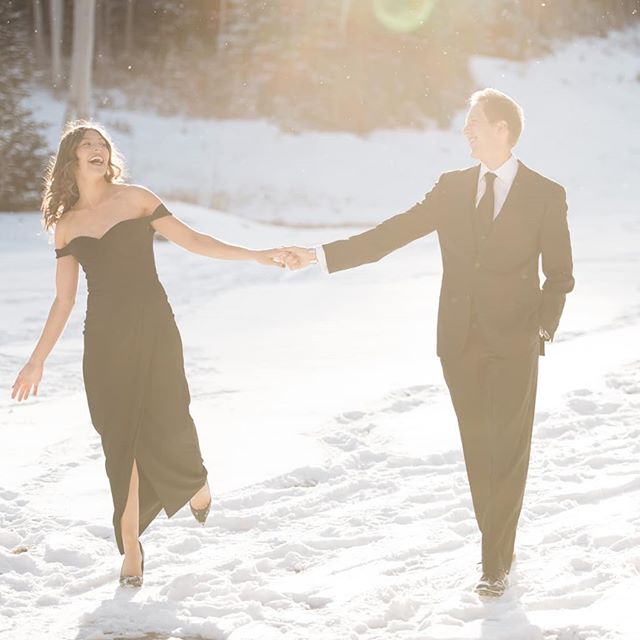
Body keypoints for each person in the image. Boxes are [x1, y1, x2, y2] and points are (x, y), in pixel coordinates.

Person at [283, 88, 575, 597]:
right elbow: (392, 234)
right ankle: (495, 547)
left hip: (515, 342)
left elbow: (560, 275)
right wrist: (319, 255)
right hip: (458, 340)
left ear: (502, 128)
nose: (466, 131)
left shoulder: (545, 193)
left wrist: (540, 329)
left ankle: (495, 562)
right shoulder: (451, 187)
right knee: (478, 448)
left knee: (507, 450)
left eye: (474, 122)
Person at [10, 121, 290, 588]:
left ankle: (193, 479)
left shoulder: (136, 198)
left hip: (154, 328)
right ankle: (131, 547)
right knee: (121, 441)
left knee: (169, 416)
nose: (98, 150)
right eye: (87, 146)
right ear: (71, 161)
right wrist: (36, 359)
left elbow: (194, 240)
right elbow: (64, 300)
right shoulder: (67, 225)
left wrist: (256, 255)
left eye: (102, 144)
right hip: (103, 340)